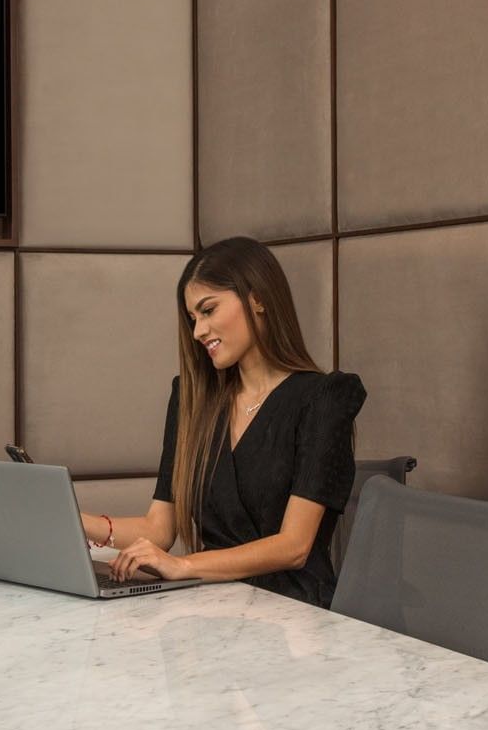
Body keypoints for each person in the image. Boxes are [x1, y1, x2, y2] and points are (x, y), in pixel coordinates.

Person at [81, 237, 366, 607]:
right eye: (193, 319)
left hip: (295, 611)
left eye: (208, 310)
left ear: (258, 298)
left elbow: (294, 546)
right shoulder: (192, 399)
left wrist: (183, 565)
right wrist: (72, 520)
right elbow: (159, 529)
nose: (198, 331)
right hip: (212, 602)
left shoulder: (324, 398)